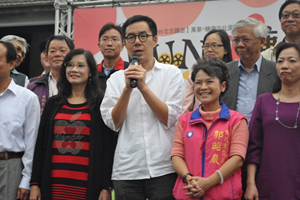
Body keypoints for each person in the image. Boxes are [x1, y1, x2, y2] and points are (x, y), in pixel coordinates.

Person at [100, 15, 184, 200]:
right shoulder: (115, 79)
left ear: (155, 40)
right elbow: (113, 123)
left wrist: (143, 87)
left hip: (164, 167)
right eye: (131, 37)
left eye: (143, 36)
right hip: (127, 169)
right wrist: (127, 90)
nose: (137, 42)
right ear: (125, 44)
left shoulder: (172, 74)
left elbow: (170, 118)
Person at [29, 48, 115, 200]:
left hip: (87, 186)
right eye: (70, 65)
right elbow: (40, 145)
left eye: (80, 65)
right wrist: (35, 183)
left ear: (90, 72)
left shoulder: (100, 104)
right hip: (54, 184)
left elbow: (107, 148)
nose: (74, 69)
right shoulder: (53, 104)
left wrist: (105, 186)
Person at [172, 58, 249, 199]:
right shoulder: (184, 121)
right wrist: (188, 178)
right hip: (189, 193)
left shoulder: (237, 121)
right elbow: (177, 155)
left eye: (209, 81)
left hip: (222, 195)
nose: (203, 87)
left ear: (223, 86)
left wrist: (208, 182)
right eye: (198, 83)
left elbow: (237, 158)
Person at [244, 42, 300, 200]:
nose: (284, 65)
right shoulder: (264, 101)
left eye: (292, 61)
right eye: (280, 61)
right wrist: (250, 183)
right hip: (268, 185)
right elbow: (254, 147)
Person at [0, 41, 40, 200]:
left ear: (11, 64)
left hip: (10, 166)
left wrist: (26, 180)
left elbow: (32, 142)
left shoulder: (27, 98)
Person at [221, 17, 278, 124]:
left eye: (246, 39)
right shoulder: (224, 71)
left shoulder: (276, 71)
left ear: (262, 41)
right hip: (230, 135)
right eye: (236, 40)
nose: (240, 45)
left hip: (264, 135)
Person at [182, 29, 233, 114]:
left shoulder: (234, 73)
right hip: (199, 121)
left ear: (226, 49)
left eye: (214, 45)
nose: (209, 49)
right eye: (206, 46)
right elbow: (187, 107)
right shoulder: (195, 75)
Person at [27, 35, 75, 115]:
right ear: (46, 56)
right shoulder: (32, 87)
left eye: (62, 50)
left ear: (72, 54)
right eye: (52, 51)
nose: (57, 54)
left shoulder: (80, 84)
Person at [97, 23, 129, 91]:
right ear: (99, 45)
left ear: (122, 46)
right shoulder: (92, 71)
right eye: (105, 39)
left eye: (114, 39)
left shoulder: (129, 70)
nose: (109, 44)